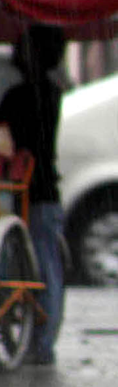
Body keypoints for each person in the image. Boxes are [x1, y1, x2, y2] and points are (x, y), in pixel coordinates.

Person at [0, 25, 69, 366]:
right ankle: (43, 341)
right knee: (47, 270)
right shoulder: (54, 93)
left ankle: (39, 343)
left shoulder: (17, 97)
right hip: (46, 190)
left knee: (35, 268)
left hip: (28, 191)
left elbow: (6, 143)